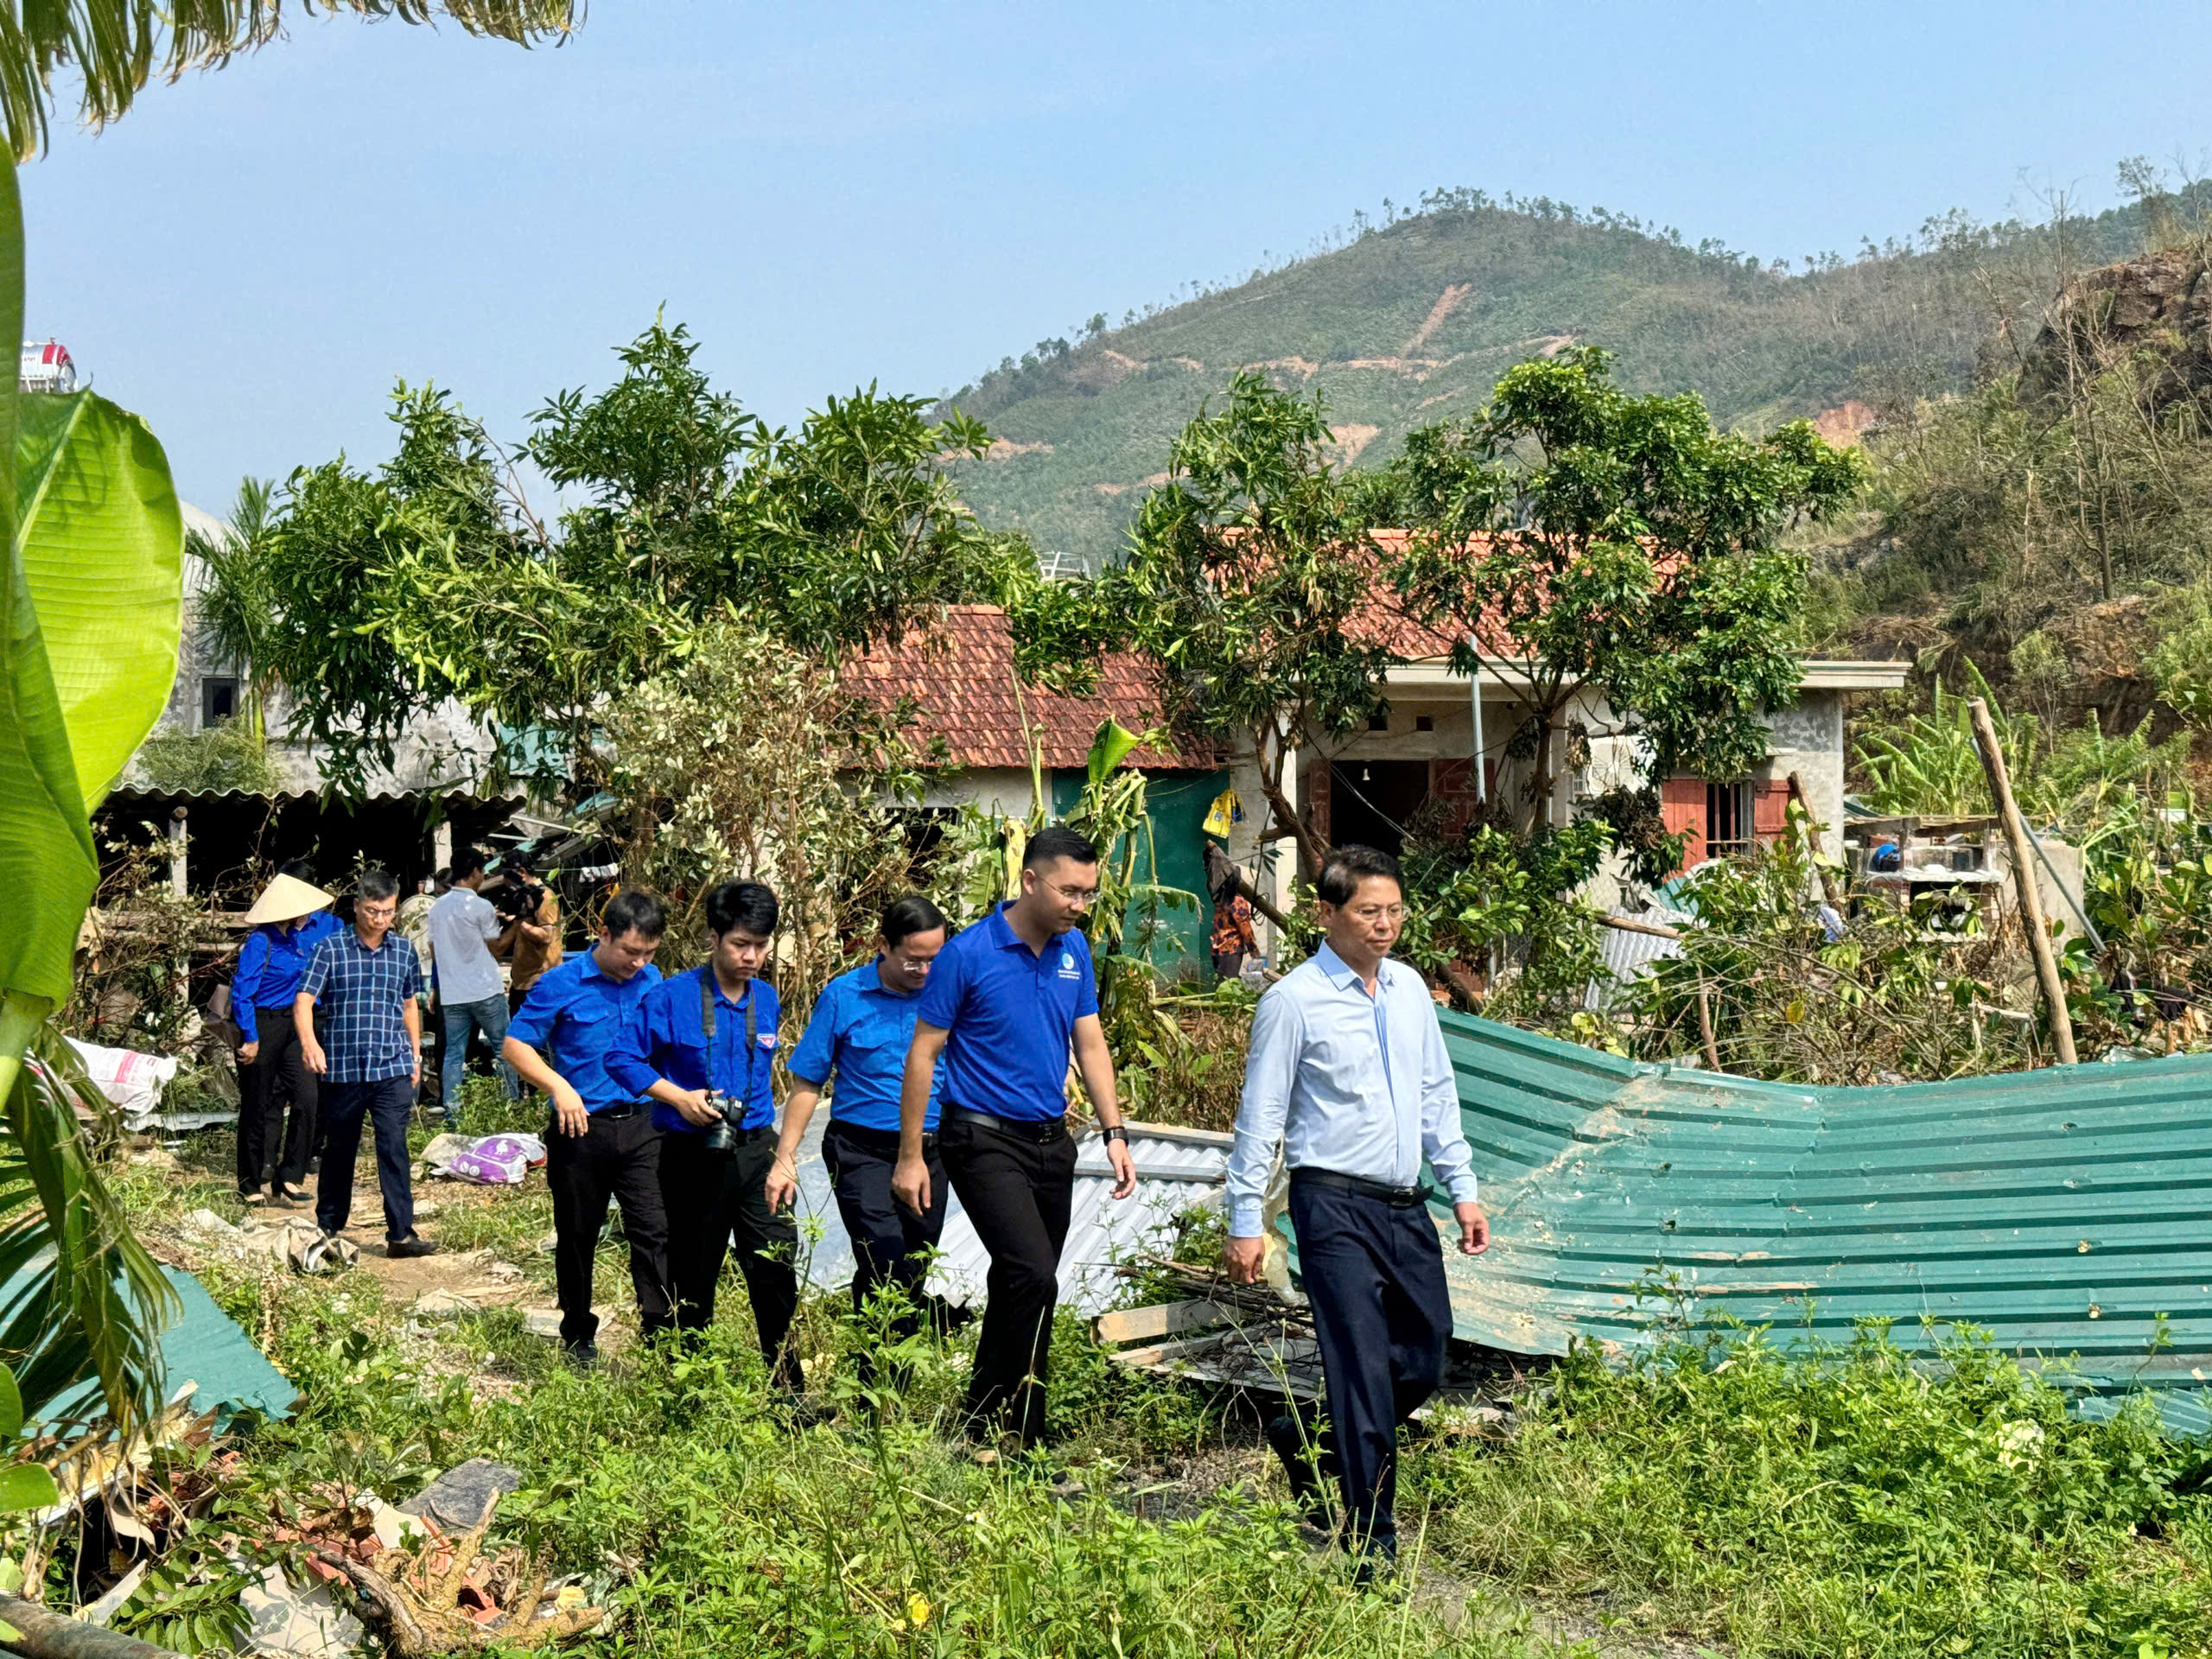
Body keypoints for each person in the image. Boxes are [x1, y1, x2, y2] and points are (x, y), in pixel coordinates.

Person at [1224, 844, 1489, 1576]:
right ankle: (1372, 1538)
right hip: (1331, 1205)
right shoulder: (1294, 1000)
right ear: (1326, 914)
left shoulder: (1407, 990)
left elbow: (1437, 1094)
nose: (1384, 926)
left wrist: (1461, 1186)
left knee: (1424, 1355)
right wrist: (1247, 1220)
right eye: (1368, 912)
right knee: (1364, 1369)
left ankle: (1305, 1433)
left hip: (1406, 1206)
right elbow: (1261, 1116)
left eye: (1394, 911)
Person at [893, 825, 1138, 1447]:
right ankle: (1003, 1424)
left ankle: (997, 1424)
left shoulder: (1073, 950)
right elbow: (924, 1054)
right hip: (980, 1138)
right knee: (1033, 1274)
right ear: (1030, 880)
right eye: (1070, 891)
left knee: (1021, 1280)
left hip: (1051, 1141)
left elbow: (1090, 1042)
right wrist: (912, 1155)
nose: (1079, 905)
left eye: (1088, 893)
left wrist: (1114, 1131)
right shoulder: (968, 954)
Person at [607, 880, 797, 1382]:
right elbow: (620, 1058)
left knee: (775, 1266)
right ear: (713, 939)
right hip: (692, 1153)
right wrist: (678, 1097)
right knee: (694, 1275)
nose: (751, 956)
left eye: (760, 945)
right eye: (740, 944)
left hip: (757, 1150)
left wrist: (784, 1158)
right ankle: (692, 1387)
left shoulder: (767, 999)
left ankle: (787, 1389)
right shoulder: (671, 996)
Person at [766, 896, 956, 1365]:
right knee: (883, 1256)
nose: (924, 970)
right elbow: (809, 1079)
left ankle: (892, 1374)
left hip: (934, 1151)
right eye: (913, 958)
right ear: (882, 946)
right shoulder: (844, 996)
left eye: (935, 958)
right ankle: (877, 1377)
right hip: (861, 1150)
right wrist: (786, 1154)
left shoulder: (951, 994)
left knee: (914, 1264)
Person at [503, 891, 671, 1368]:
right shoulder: (560, 983)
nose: (639, 963)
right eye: (630, 951)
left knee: (654, 1230)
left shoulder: (652, 980)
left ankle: (659, 1332)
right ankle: (578, 1332)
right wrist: (558, 1087)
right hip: (581, 1129)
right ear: (603, 935)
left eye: (648, 953)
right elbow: (515, 1046)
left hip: (642, 1124)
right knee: (578, 1234)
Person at [296, 868, 436, 1258]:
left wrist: (415, 1054)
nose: (380, 919)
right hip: (342, 1067)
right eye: (373, 911)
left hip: (391, 1066)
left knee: (394, 1147)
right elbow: (305, 999)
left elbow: (410, 1004)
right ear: (357, 906)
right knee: (340, 1149)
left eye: (388, 912)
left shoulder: (404, 951)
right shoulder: (330, 948)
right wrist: (310, 1044)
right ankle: (328, 1226)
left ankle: (400, 1234)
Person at [231, 866, 340, 1207]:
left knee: (308, 1099)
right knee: (257, 1105)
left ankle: (290, 1175)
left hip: (297, 1025)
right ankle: (250, 1182)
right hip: (263, 1025)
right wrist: (250, 1037)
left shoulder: (299, 940)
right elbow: (242, 992)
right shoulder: (260, 942)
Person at [429, 847, 518, 1119]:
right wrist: (519, 924)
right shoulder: (481, 906)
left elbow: (434, 951)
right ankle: (509, 1106)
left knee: (454, 1055)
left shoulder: (436, 908)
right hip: (484, 989)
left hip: (453, 993)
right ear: (477, 872)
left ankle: (452, 1112)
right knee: (504, 1049)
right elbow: (497, 949)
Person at [495, 854, 564, 1012]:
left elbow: (547, 936)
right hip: (522, 982)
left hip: (540, 983)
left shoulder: (544, 897)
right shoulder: (524, 896)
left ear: (521, 872)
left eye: (507, 875)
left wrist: (521, 924)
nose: (504, 880)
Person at [1210, 867, 1258, 983]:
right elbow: (1245, 929)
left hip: (1217, 950)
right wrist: (1255, 953)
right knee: (1229, 986)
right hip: (1231, 949)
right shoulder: (1237, 901)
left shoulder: (1220, 899)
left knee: (1222, 984)